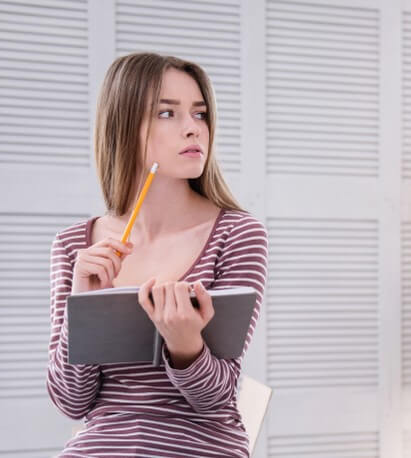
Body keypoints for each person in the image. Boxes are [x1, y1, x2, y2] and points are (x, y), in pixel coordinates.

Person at [46, 52, 267, 457]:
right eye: (167, 114)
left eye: (199, 115)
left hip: (202, 444)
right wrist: (84, 308)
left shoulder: (237, 233)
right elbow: (71, 401)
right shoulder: (74, 245)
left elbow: (216, 399)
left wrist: (186, 346)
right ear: (124, 126)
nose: (192, 130)